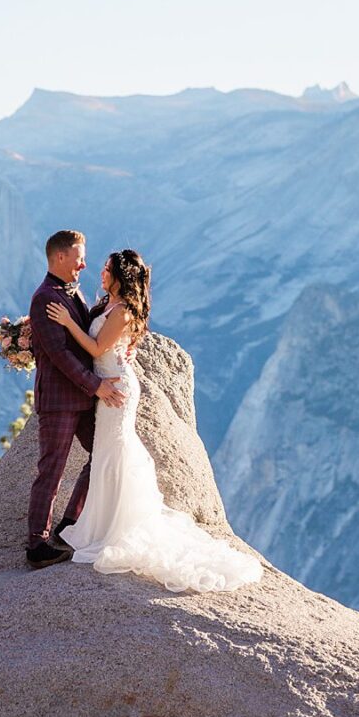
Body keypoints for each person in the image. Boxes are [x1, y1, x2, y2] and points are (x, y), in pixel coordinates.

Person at [46, 248, 264, 593]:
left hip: (115, 388)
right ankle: (99, 523)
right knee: (107, 454)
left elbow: (98, 349)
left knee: (113, 453)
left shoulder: (124, 311)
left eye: (106, 269)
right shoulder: (107, 304)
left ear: (121, 276)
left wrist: (67, 322)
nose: (100, 273)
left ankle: (112, 528)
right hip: (108, 384)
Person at [25, 230, 126, 570]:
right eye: (79, 257)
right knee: (51, 469)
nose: (84, 264)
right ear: (60, 257)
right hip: (59, 400)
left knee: (100, 455)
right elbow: (59, 354)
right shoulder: (45, 298)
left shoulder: (71, 292)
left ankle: (70, 524)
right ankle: (37, 544)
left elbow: (86, 339)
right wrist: (96, 385)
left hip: (82, 398)